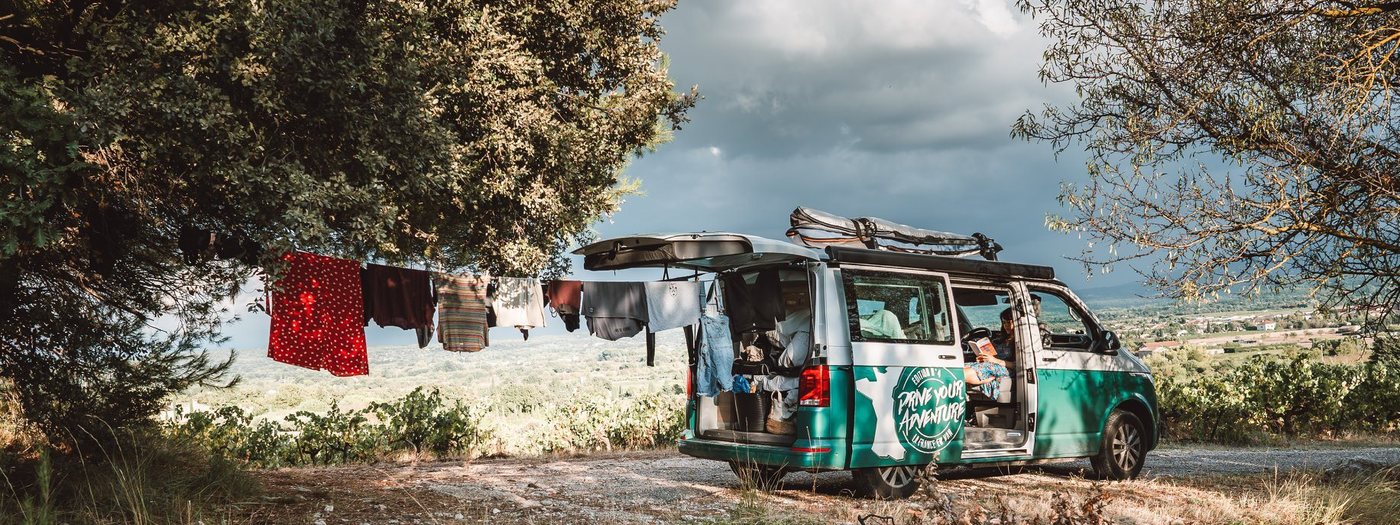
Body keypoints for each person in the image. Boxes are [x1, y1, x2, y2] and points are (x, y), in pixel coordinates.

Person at [963, 308, 1015, 399]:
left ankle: (953, 380)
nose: (1006, 325)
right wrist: (984, 357)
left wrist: (994, 360)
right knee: (964, 365)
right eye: (1004, 322)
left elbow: (1017, 365)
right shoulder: (1000, 339)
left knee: (986, 368)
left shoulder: (1020, 342)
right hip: (993, 363)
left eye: (1008, 322)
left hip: (1006, 368)